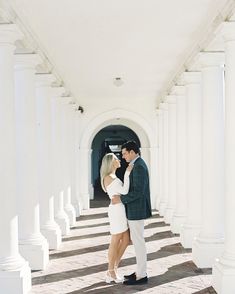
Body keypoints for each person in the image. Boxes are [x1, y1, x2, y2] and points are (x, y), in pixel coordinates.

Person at [112, 140, 152, 285]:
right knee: (137, 241)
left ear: (132, 152)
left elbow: (138, 192)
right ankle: (139, 272)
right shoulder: (136, 165)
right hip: (134, 209)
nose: (123, 157)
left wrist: (120, 199)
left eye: (124, 153)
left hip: (137, 210)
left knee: (139, 242)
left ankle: (142, 276)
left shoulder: (139, 166)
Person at [100, 152, 133, 283]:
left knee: (126, 240)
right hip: (116, 211)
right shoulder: (108, 177)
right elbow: (125, 191)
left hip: (120, 209)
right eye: (116, 158)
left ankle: (113, 269)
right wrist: (127, 173)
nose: (119, 159)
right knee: (115, 240)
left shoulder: (113, 176)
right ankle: (111, 271)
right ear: (111, 162)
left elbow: (122, 193)